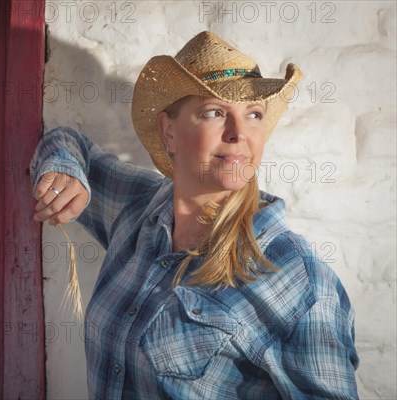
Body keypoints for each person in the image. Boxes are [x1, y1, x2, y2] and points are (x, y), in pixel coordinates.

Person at [30, 31, 359, 399]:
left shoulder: (296, 278)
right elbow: (68, 142)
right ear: (169, 132)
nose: (239, 134)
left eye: (253, 114)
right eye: (215, 112)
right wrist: (64, 171)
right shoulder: (136, 206)